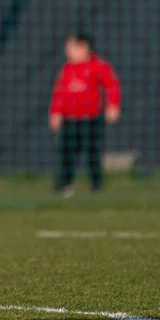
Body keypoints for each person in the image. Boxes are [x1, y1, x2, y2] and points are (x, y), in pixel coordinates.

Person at [49, 31, 122, 196]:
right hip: (70, 120)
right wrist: (55, 113)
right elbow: (59, 92)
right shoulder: (67, 69)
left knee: (93, 153)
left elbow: (112, 84)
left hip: (91, 119)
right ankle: (64, 186)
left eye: (72, 47)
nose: (68, 51)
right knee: (67, 153)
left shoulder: (98, 66)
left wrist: (113, 105)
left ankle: (96, 187)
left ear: (84, 47)